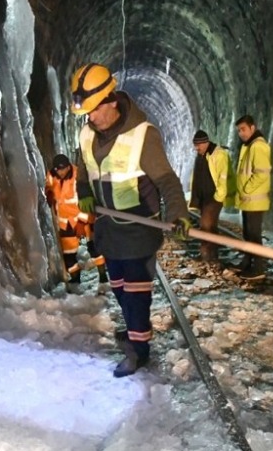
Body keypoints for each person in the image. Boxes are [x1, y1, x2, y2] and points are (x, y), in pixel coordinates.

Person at [70, 62, 191, 377]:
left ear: (111, 101)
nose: (91, 117)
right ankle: (136, 332)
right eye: (87, 112)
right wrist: (83, 190)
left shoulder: (142, 136)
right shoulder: (87, 134)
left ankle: (139, 351)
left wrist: (178, 213)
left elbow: (167, 181)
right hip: (109, 231)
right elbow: (83, 170)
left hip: (139, 229)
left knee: (137, 296)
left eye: (95, 110)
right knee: (121, 289)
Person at [46, 153, 108, 292]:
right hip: (64, 220)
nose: (60, 172)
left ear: (68, 167)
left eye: (63, 169)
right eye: (58, 170)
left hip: (83, 217)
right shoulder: (51, 175)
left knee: (93, 246)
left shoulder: (78, 177)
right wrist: (49, 192)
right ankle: (75, 279)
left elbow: (86, 198)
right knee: (68, 253)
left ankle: (103, 276)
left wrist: (81, 221)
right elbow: (49, 185)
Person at [231, 114, 272, 281]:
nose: (241, 133)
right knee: (248, 233)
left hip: (255, 199)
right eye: (239, 130)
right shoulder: (248, 146)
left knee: (254, 235)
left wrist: (246, 189)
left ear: (252, 128)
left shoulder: (258, 146)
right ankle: (247, 262)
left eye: (244, 129)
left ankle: (259, 267)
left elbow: (262, 173)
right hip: (248, 200)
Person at [188, 130, 232, 263]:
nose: (196, 148)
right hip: (203, 197)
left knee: (205, 225)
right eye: (195, 145)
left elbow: (223, 177)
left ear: (205, 143)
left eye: (198, 145)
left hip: (213, 198)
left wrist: (219, 197)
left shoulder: (218, 154)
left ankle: (205, 254)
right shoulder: (201, 155)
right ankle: (213, 255)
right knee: (211, 226)